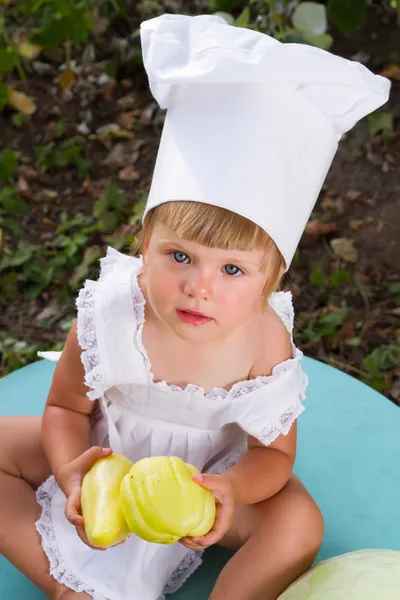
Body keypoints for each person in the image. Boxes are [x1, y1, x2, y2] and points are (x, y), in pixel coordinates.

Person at [0, 13, 390, 600]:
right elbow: (65, 407)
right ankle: (68, 587)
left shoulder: (263, 344)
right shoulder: (112, 313)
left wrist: (231, 490)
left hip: (205, 479)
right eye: (179, 256)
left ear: (269, 280)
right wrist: (70, 467)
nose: (198, 287)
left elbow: (272, 455)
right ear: (143, 246)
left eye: (232, 269)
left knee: (298, 522)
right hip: (108, 455)